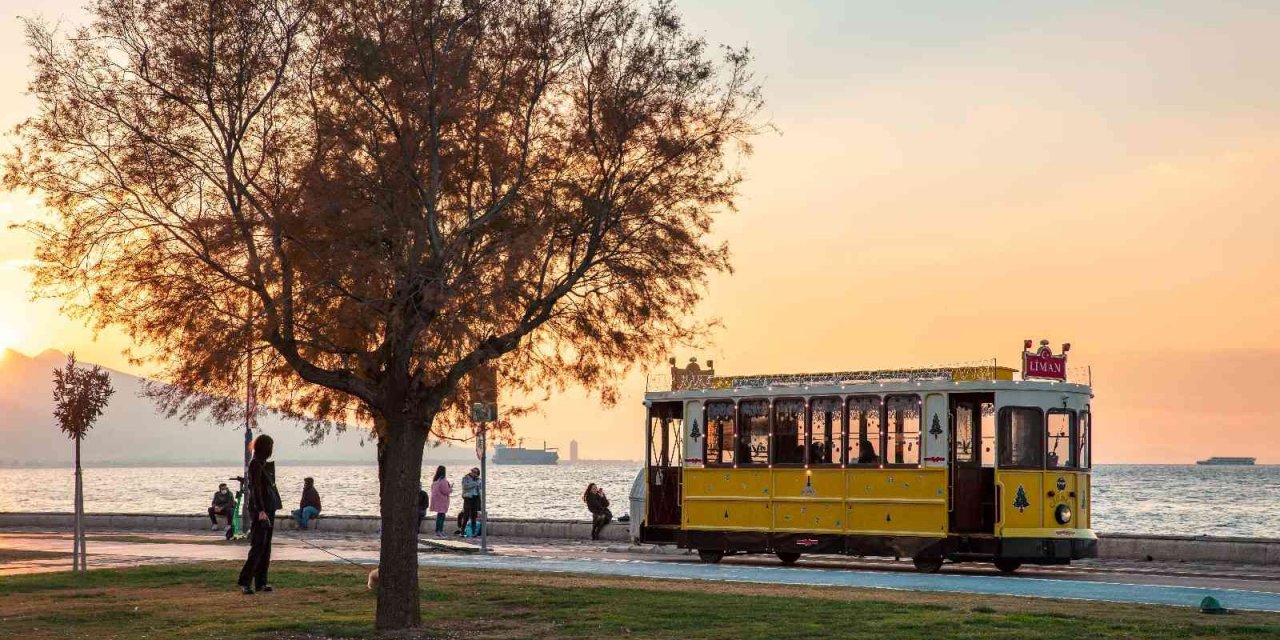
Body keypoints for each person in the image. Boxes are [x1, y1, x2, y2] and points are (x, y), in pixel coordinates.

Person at [238, 434, 282, 595]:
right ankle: (245, 581)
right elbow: (255, 490)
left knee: (266, 546)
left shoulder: (262, 463)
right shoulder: (255, 464)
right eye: (270, 446)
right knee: (258, 546)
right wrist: (261, 511)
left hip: (269, 508)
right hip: (260, 510)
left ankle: (261, 582)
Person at [429, 465, 453, 538]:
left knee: (439, 516)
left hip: (436, 500)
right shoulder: (443, 481)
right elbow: (446, 491)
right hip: (442, 501)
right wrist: (450, 489)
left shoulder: (435, 480)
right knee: (441, 517)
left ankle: (438, 531)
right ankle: (440, 531)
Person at [456, 467, 481, 536]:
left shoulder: (478, 480)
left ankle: (473, 532)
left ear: (477, 474)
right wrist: (475, 483)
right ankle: (462, 531)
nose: (473, 473)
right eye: (472, 471)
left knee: (474, 516)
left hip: (476, 497)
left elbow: (480, 488)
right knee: (466, 515)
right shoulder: (465, 478)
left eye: (475, 472)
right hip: (468, 497)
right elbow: (465, 486)